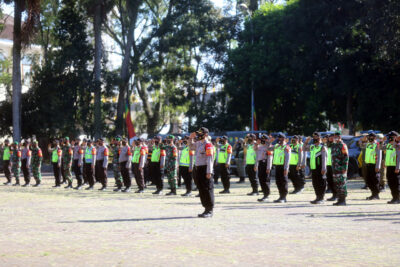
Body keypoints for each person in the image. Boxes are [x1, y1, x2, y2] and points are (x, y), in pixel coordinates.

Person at [189, 127, 214, 218]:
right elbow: (191, 147)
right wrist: (190, 138)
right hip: (198, 168)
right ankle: (205, 208)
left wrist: (209, 172)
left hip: (205, 169)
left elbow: (209, 159)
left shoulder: (208, 144)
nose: (199, 135)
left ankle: (210, 210)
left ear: (206, 135)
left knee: (207, 189)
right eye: (198, 133)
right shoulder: (199, 143)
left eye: (201, 133)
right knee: (201, 189)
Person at [303, 132, 327, 204]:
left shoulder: (322, 147)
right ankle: (317, 197)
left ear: (320, 138)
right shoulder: (312, 146)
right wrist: (306, 142)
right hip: (313, 168)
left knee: (321, 183)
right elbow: (304, 149)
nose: (315, 138)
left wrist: (324, 168)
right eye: (314, 137)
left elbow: (324, 158)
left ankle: (321, 198)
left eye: (316, 137)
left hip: (320, 168)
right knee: (315, 183)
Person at [358, 133, 382, 200]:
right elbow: (361, 145)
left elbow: (379, 156)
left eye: (371, 137)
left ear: (374, 137)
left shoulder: (377, 145)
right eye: (369, 137)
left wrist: (378, 166)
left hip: (374, 165)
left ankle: (376, 195)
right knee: (368, 180)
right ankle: (373, 193)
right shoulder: (368, 144)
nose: (369, 138)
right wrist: (362, 140)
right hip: (368, 164)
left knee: (375, 180)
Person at [330, 131, 349, 206]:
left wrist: (345, 168)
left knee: (342, 184)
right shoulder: (334, 145)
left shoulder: (343, 145)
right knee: (337, 184)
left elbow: (346, 157)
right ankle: (339, 199)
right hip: (335, 168)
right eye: (334, 136)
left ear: (340, 137)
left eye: (336, 136)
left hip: (341, 168)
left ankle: (343, 200)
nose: (335, 138)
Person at [272, 133, 291, 203]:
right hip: (277, 166)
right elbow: (269, 148)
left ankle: (284, 197)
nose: (279, 140)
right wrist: (270, 141)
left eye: (281, 138)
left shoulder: (286, 147)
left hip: (283, 166)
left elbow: (287, 159)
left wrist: (286, 168)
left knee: (283, 182)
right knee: (278, 182)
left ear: (284, 139)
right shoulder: (277, 146)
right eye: (279, 138)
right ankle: (280, 196)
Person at [382, 132, 400, 204]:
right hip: (389, 166)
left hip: (395, 166)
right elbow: (380, 148)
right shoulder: (389, 145)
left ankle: (398, 198)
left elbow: (399, 157)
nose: (390, 138)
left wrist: (398, 167)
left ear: (395, 137)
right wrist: (382, 141)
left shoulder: (398, 145)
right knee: (390, 183)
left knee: (396, 183)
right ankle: (394, 198)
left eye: (391, 137)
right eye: (389, 137)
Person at [255, 134, 273, 202]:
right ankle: (264, 194)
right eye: (262, 139)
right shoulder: (260, 146)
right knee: (261, 179)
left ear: (267, 139)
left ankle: (267, 195)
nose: (263, 140)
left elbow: (270, 158)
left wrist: (268, 167)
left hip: (266, 164)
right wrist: (257, 143)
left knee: (266, 180)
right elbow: (255, 149)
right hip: (260, 164)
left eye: (264, 139)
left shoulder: (269, 147)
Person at [325, 134, 337, 201]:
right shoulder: (327, 145)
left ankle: (336, 195)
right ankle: (333, 194)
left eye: (332, 137)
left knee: (334, 181)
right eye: (329, 137)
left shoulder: (336, 145)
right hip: (328, 165)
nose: (330, 138)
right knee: (329, 181)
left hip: (334, 165)